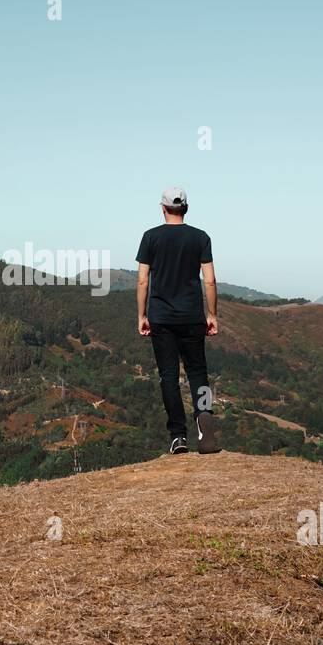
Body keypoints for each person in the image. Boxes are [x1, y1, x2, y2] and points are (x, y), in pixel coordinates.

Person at [135, 186, 220, 455]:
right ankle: (204, 422)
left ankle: (178, 436)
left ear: (162, 209)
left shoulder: (150, 238)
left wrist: (142, 315)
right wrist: (212, 314)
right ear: (186, 208)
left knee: (169, 377)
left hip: (161, 318)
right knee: (198, 373)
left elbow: (142, 279)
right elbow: (209, 279)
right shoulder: (200, 238)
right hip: (192, 317)